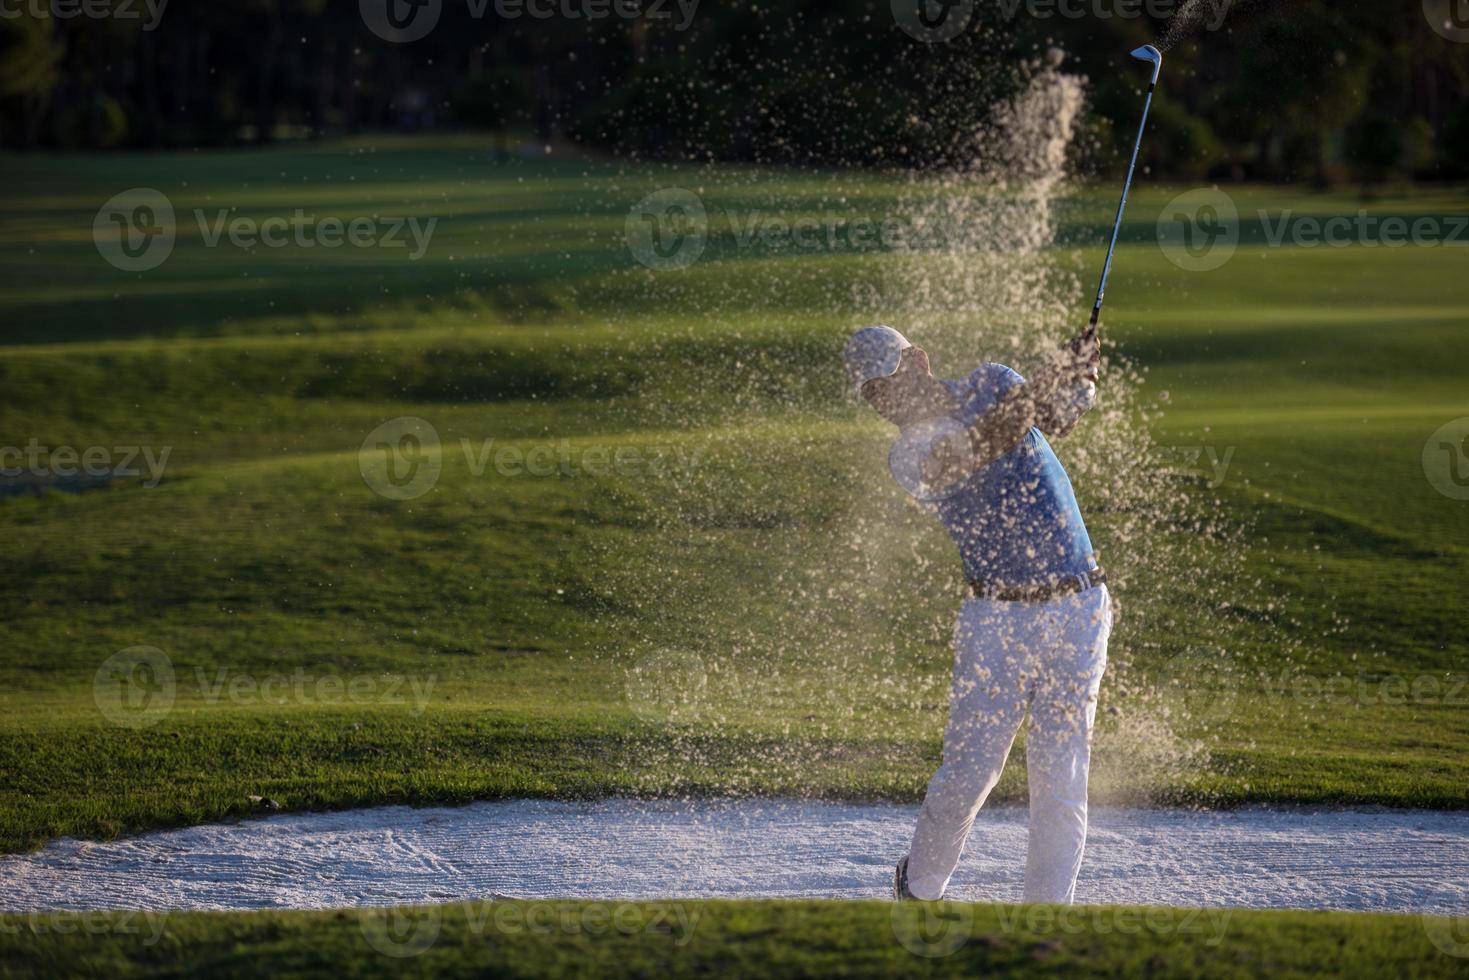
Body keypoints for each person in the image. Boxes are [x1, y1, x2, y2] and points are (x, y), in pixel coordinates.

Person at [842, 323, 1110, 905]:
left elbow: (1053, 417)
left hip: (1080, 605)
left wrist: (1081, 374)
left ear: (918, 360)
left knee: (1059, 778)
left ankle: (1046, 925)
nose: (885, 403)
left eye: (886, 384)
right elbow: (987, 441)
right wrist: (1052, 375)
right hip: (996, 620)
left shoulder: (994, 381)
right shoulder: (908, 454)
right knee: (968, 775)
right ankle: (918, 892)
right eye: (872, 397)